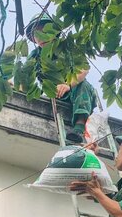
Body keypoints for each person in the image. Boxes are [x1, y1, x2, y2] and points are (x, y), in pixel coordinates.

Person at [25, 13, 98, 143]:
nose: (41, 37)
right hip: (52, 94)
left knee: (84, 86)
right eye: (36, 34)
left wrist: (68, 85)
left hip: (74, 90)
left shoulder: (67, 47)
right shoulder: (34, 56)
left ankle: (79, 128)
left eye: (45, 31)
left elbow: (84, 68)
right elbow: (26, 79)